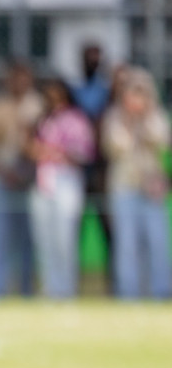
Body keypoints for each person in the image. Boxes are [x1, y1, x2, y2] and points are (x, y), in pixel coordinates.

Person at [101, 67, 172, 299]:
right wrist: (130, 120)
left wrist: (144, 118)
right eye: (133, 92)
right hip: (124, 187)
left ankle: (161, 291)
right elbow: (116, 147)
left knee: (157, 241)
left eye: (142, 92)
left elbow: (162, 141)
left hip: (152, 189)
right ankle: (128, 294)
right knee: (127, 244)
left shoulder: (156, 116)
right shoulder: (114, 117)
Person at [0, 60, 43, 297]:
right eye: (14, 77)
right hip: (4, 179)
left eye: (24, 76)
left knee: (31, 239)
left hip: (35, 181)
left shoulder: (39, 105)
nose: (19, 82)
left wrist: (31, 171)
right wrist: (6, 173)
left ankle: (27, 291)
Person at [27, 79, 95, 299]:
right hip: (43, 181)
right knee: (44, 238)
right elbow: (30, 147)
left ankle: (66, 288)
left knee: (64, 237)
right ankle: (49, 287)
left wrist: (57, 152)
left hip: (66, 180)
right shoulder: (42, 120)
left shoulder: (76, 119)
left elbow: (84, 153)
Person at [73, 43, 115, 292]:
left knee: (109, 229)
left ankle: (115, 284)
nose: (93, 61)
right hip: (79, 170)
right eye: (89, 57)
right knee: (73, 231)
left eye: (97, 57)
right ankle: (70, 285)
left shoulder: (106, 92)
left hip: (101, 170)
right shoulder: (75, 91)